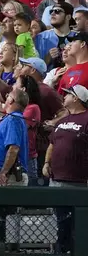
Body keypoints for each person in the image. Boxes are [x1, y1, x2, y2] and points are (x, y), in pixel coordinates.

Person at [43, 85, 88, 254]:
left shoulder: (86, 119)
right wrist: (46, 163)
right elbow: (52, 143)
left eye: (68, 94)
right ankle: (59, 251)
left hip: (77, 180)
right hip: (56, 178)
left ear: (76, 98)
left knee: (75, 224)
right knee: (57, 222)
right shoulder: (61, 121)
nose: (64, 96)